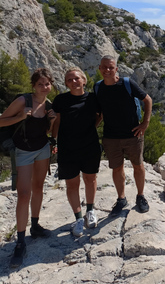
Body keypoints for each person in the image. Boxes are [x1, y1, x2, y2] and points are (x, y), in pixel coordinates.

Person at [0, 68, 56, 268]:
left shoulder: (49, 105)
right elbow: (0, 121)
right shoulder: (23, 101)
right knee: (24, 194)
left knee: (39, 187)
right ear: (33, 85)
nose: (44, 87)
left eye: (47, 83)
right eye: (40, 83)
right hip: (23, 151)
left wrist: (52, 120)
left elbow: (46, 130)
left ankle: (35, 225)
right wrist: (20, 117)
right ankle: (20, 241)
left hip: (42, 149)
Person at [95, 55, 152, 215]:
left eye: (110, 67)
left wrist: (145, 124)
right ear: (99, 68)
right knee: (117, 168)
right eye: (104, 67)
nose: (107, 70)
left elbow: (147, 100)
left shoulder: (127, 83)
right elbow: (99, 113)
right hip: (111, 136)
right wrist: (92, 129)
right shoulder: (98, 87)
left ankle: (140, 196)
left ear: (116, 69)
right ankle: (121, 198)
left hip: (133, 134)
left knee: (138, 165)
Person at [52, 68, 102, 237]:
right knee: (72, 184)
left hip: (90, 146)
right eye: (69, 80)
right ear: (66, 83)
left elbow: (99, 115)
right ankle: (78, 218)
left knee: (90, 178)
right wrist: (53, 141)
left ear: (83, 80)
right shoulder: (60, 100)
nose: (73, 82)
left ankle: (90, 210)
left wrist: (90, 128)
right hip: (67, 148)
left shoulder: (93, 98)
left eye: (76, 78)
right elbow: (56, 122)